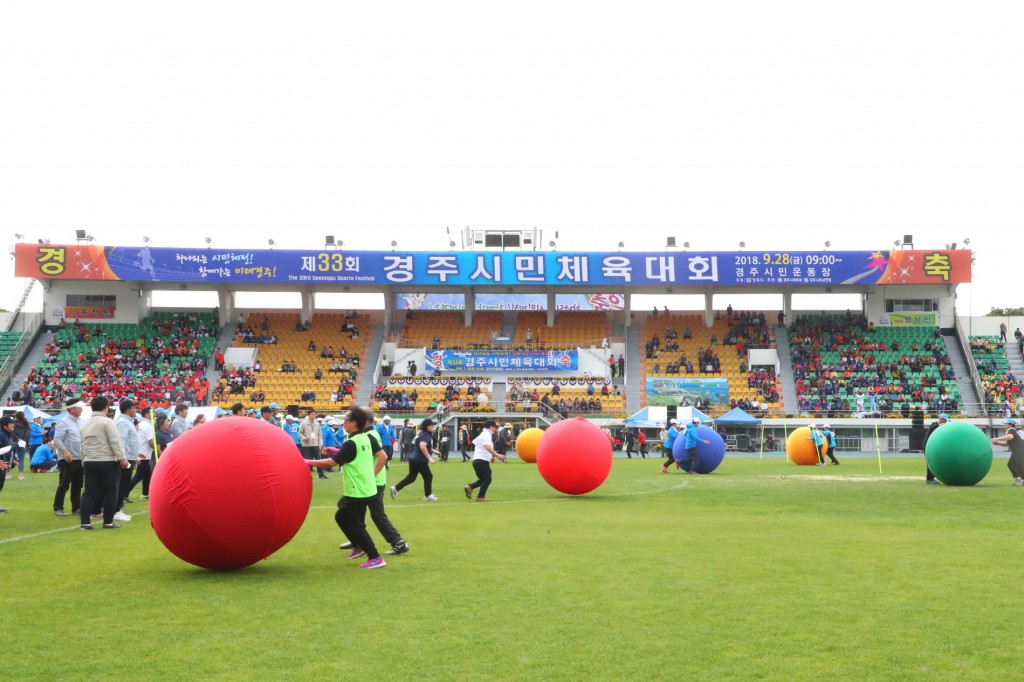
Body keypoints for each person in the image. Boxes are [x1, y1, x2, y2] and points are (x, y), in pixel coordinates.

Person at [303, 406, 389, 568]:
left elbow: (332, 462)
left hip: (358, 490)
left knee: (355, 524)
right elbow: (353, 453)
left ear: (355, 423)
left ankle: (375, 556)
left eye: (346, 421)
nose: (343, 424)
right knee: (342, 516)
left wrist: (308, 462)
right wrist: (335, 450)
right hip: (364, 488)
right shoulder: (365, 437)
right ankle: (359, 546)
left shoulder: (352, 442)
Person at [79, 396, 131, 530]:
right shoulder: (108, 422)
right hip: (106, 461)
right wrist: (122, 458)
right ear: (105, 408)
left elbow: (82, 445)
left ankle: (85, 522)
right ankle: (108, 521)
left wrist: (84, 460)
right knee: (110, 491)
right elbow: (115, 441)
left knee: (89, 492)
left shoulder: (85, 424)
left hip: (89, 461)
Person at [391, 418, 439, 501]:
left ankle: (395, 488)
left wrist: (434, 451)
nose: (433, 426)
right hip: (420, 460)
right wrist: (429, 457)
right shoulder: (426, 435)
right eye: (432, 425)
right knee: (428, 476)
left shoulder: (421, 433)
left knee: (411, 477)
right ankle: (428, 496)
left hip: (413, 458)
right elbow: (422, 446)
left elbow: (422, 446)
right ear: (427, 426)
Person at [53, 397, 85, 517]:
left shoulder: (81, 422)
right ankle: (58, 507)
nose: (81, 409)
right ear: (71, 409)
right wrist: (65, 452)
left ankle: (76, 507)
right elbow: (57, 439)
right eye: (79, 407)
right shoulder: (63, 422)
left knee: (78, 484)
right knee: (64, 483)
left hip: (79, 457)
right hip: (68, 458)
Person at [465, 419, 505, 501]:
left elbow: (482, 448)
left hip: (477, 460)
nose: (495, 429)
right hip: (481, 461)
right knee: (487, 479)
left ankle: (470, 487)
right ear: (490, 427)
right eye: (494, 427)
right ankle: (480, 496)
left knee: (483, 479)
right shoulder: (486, 434)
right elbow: (487, 446)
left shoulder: (483, 434)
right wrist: (497, 455)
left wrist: (490, 457)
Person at [112, 399, 139, 520]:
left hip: (130, 456)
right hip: (126, 457)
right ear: (128, 409)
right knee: (122, 484)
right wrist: (123, 458)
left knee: (124, 483)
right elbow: (121, 441)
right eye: (134, 408)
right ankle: (116, 511)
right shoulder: (123, 422)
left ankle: (118, 509)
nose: (135, 410)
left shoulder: (128, 422)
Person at [126, 407, 154, 500]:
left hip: (141, 453)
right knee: (138, 476)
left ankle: (145, 494)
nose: (153, 415)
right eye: (152, 413)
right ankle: (124, 493)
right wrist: (156, 449)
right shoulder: (148, 425)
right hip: (144, 454)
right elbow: (150, 442)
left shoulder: (141, 424)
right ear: (147, 414)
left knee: (147, 475)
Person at [990, 418, 1024, 486]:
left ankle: (1018, 479)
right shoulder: (1012, 431)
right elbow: (1007, 443)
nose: (1004, 425)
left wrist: (997, 438)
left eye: (1006, 424)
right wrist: (998, 443)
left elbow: (1010, 437)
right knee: (1019, 466)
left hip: (1019, 450)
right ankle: (1021, 480)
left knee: (1011, 464)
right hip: (1021, 450)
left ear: (1010, 425)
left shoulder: (1011, 430)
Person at [299, 410, 327, 479]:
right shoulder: (304, 424)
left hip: (315, 445)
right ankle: (307, 476)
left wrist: (320, 444)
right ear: (308, 415)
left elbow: (320, 435)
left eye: (314, 414)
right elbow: (299, 433)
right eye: (311, 414)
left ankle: (321, 475)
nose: (313, 416)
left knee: (319, 460)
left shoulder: (317, 424)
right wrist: (304, 438)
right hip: (306, 445)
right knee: (308, 461)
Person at [922, 413, 948, 484]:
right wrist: (940, 425)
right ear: (942, 419)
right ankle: (929, 479)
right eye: (945, 420)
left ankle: (931, 478)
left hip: (931, 446)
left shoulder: (938, 426)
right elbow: (935, 427)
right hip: (927, 446)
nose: (946, 422)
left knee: (933, 461)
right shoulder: (934, 424)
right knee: (931, 462)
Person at [0, 416, 15, 512]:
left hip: (3, 464)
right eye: (10, 423)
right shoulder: (1, 434)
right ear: (4, 425)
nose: (13, 424)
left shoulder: (6, 434)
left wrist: (13, 460)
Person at [11, 411, 29, 480]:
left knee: (9, 458)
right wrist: (23, 440)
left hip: (13, 442)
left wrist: (18, 439)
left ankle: (7, 474)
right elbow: (28, 432)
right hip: (22, 443)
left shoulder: (13, 422)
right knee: (21, 460)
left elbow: (11, 432)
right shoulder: (26, 423)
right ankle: (20, 475)